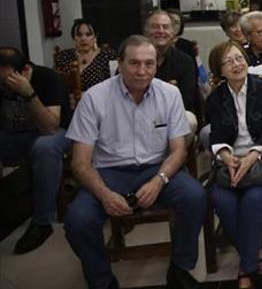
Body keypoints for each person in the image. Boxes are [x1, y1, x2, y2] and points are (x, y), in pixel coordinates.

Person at [63, 35, 205, 289]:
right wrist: (105, 194)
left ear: (156, 65)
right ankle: (102, 281)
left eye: (149, 64)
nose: (142, 71)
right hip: (108, 172)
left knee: (194, 197)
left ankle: (180, 268)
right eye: (134, 63)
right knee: (77, 219)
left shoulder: (169, 94)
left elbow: (178, 151)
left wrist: (159, 181)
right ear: (120, 64)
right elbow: (80, 163)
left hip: (156, 167)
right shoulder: (94, 98)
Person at [205, 40, 262, 289]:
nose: (236, 64)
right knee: (222, 199)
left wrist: (252, 156)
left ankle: (247, 267)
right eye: (228, 61)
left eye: (239, 58)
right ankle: (256, 257)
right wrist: (227, 157)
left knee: (252, 200)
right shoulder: (215, 99)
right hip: (232, 161)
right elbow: (216, 135)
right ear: (219, 70)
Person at [0, 47, 72, 254]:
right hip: (13, 135)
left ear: (24, 71)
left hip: (55, 132)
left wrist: (28, 93)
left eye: (8, 79)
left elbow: (50, 127)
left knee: (44, 147)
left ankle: (42, 221)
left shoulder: (46, 78)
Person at [144, 11, 199, 116]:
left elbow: (187, 101)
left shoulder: (185, 61)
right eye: (155, 27)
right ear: (146, 32)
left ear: (173, 33)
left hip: (173, 116)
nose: (161, 31)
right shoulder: (135, 58)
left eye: (165, 27)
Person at [54, 19, 118, 91]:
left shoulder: (107, 55)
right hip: (70, 100)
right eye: (79, 35)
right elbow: (57, 84)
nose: (83, 39)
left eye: (88, 34)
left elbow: (116, 83)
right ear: (74, 38)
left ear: (95, 37)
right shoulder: (64, 56)